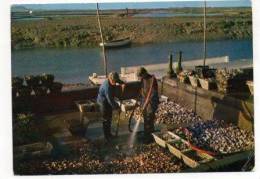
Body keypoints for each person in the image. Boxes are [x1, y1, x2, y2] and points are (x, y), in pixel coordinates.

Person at [97, 72, 125, 141]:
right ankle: (107, 137)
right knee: (106, 119)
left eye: (115, 81)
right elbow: (110, 101)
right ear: (109, 79)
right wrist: (117, 108)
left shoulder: (114, 79)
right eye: (113, 81)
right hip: (103, 102)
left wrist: (122, 84)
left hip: (109, 100)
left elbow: (119, 81)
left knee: (109, 117)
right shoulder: (107, 87)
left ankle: (109, 134)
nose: (115, 83)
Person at [137, 67, 159, 143]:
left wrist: (146, 104)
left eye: (141, 76)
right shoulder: (143, 79)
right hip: (144, 102)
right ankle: (147, 134)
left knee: (149, 119)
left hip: (152, 103)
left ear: (144, 73)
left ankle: (150, 137)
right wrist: (141, 104)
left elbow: (153, 94)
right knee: (146, 120)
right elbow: (142, 91)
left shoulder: (153, 80)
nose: (140, 77)